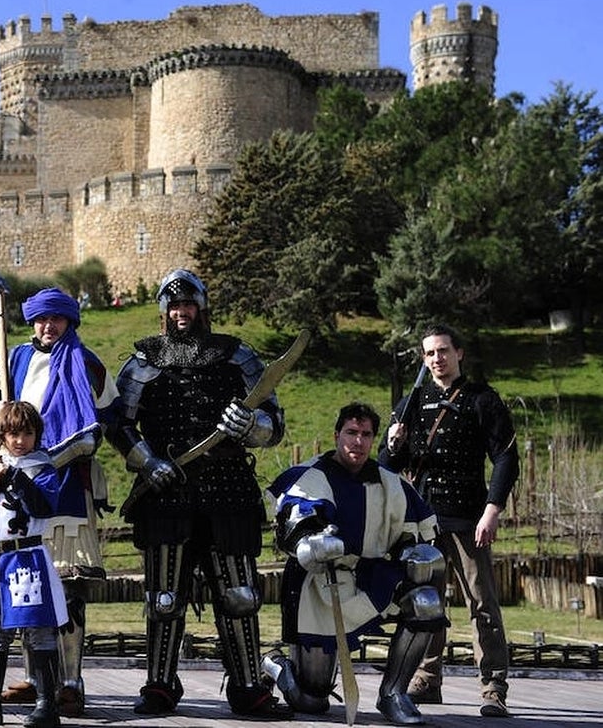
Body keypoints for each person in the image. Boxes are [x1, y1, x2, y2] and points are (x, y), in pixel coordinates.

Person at [107, 268, 291, 718]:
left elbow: (274, 424)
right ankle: (160, 685)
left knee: (239, 595)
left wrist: (250, 425)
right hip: (166, 492)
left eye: (188, 304)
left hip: (228, 490)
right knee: (163, 598)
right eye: (174, 306)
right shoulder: (143, 361)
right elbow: (118, 425)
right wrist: (148, 462)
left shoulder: (237, 356)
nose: (181, 312)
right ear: (164, 311)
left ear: (201, 308)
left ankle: (248, 687)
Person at [0, 287, 118, 718]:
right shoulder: (13, 358)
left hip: (66, 483)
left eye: (56, 318)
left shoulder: (86, 363)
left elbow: (105, 421)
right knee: (19, 581)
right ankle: (36, 681)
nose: (48, 326)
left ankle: (69, 682)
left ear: (70, 321)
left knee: (66, 585)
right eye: (41, 319)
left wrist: (43, 460)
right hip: (12, 481)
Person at [263, 402, 447, 726]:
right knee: (311, 701)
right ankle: (274, 663)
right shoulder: (310, 476)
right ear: (337, 435)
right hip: (318, 586)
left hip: (370, 576)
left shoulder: (391, 483)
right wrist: (313, 543)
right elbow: (292, 531)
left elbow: (411, 537)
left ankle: (393, 694)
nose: (358, 441)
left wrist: (415, 554)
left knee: (425, 601)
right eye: (351, 432)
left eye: (366, 434)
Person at [379, 323, 520, 718]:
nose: (437, 358)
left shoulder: (483, 400)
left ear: (459, 353)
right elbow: (386, 466)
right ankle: (427, 678)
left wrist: (492, 510)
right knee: (427, 603)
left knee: (482, 603)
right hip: (423, 520)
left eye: (443, 350)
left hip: (469, 518)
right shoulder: (410, 403)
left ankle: (493, 687)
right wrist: (393, 444)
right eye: (430, 353)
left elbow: (506, 458)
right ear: (423, 359)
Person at [0, 401, 68, 728]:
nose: (20, 441)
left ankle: (47, 705)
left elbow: (43, 507)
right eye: (13, 434)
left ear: (37, 435)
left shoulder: (42, 469)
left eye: (27, 433)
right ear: (1, 436)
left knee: (39, 632)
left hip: (27, 560)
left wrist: (15, 478)